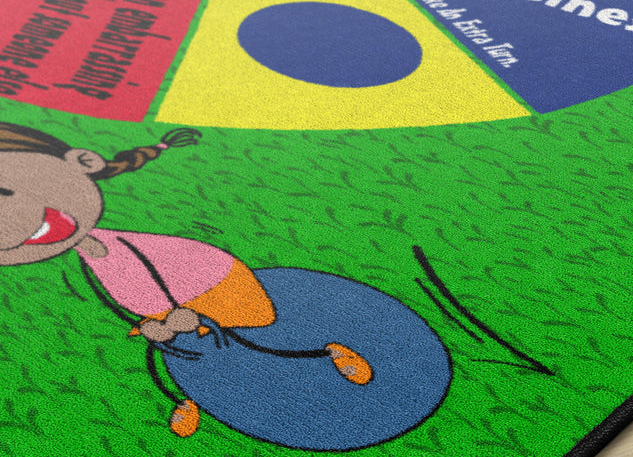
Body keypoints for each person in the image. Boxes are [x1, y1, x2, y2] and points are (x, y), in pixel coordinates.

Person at [0, 122, 372, 438]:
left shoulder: (132, 244)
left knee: (255, 335)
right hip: (169, 307)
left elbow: (167, 274)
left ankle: (326, 352)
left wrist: (183, 315)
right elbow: (123, 291)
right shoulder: (86, 260)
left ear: (84, 162)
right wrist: (152, 324)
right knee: (178, 354)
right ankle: (184, 400)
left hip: (211, 285)